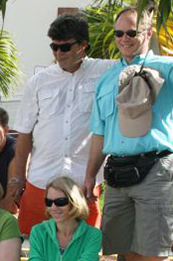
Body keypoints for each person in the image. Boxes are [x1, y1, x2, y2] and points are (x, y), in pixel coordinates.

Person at [83, 6, 173, 261]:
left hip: (156, 165)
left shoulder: (170, 68)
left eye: (132, 32)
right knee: (129, 249)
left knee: (155, 249)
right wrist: (90, 176)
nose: (125, 39)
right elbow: (99, 133)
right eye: (119, 33)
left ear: (148, 32)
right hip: (117, 171)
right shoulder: (107, 79)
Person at [11, 14, 113, 236]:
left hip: (83, 184)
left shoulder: (106, 72)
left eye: (65, 47)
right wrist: (19, 178)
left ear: (83, 45)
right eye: (53, 47)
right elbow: (24, 134)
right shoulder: (38, 81)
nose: (58, 53)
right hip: (40, 182)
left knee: (84, 253)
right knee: (34, 250)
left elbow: (137, 62)